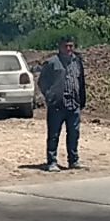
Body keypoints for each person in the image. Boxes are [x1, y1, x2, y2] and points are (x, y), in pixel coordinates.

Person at [36, 35, 86, 172]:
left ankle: (73, 161)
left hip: (73, 104)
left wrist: (81, 100)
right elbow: (42, 82)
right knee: (54, 135)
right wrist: (50, 96)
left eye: (71, 46)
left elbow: (81, 81)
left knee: (74, 134)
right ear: (60, 47)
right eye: (66, 46)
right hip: (57, 105)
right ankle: (52, 162)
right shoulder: (52, 62)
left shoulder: (77, 62)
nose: (69, 48)